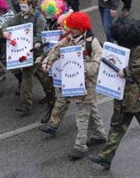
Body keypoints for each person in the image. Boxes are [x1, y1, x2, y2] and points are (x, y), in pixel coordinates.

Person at [89, 17, 140, 169]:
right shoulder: (125, 49)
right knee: (116, 126)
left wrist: (124, 71)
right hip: (122, 96)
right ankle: (105, 157)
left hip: (138, 98)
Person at [40, 12, 107, 160]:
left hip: (87, 83)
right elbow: (56, 49)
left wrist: (82, 68)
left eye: (75, 28)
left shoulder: (93, 42)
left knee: (82, 115)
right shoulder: (69, 38)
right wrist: (47, 62)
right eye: (71, 27)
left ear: (82, 27)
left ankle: (80, 146)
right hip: (74, 82)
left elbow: (97, 63)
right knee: (91, 108)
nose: (72, 30)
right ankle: (100, 134)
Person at [2, 0, 46, 116]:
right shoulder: (20, 16)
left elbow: (41, 36)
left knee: (27, 76)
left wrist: (30, 42)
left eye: (24, 6)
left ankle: (27, 105)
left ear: (31, 6)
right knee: (42, 76)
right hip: (26, 52)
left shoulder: (39, 18)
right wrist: (5, 31)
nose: (21, 9)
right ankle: (51, 95)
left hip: (37, 53)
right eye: (21, 6)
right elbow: (7, 23)